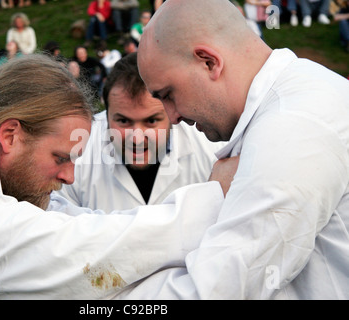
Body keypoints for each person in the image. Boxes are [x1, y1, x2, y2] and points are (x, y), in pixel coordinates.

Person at [0, 53, 225, 299]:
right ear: (11, 135)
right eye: (60, 158)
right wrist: (217, 199)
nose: (70, 177)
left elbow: (76, 223)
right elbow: (69, 252)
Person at [127, 0, 349, 299]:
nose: (173, 116)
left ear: (209, 62)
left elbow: (217, 290)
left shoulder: (292, 128)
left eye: (168, 94)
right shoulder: (297, 98)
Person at [55, 52, 223, 212]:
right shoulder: (76, 155)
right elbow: (56, 225)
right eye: (123, 121)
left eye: (151, 121)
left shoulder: (213, 151)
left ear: (173, 112)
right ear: (106, 115)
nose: (137, 138)